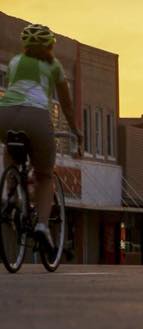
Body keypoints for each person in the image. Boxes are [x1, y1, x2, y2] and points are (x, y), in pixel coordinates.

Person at [0, 24, 82, 250]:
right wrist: (76, 130)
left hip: (4, 114)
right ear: (49, 46)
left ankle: (11, 193)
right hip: (35, 116)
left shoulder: (15, 61)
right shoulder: (54, 65)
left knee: (10, 147)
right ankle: (43, 226)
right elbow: (66, 103)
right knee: (45, 176)